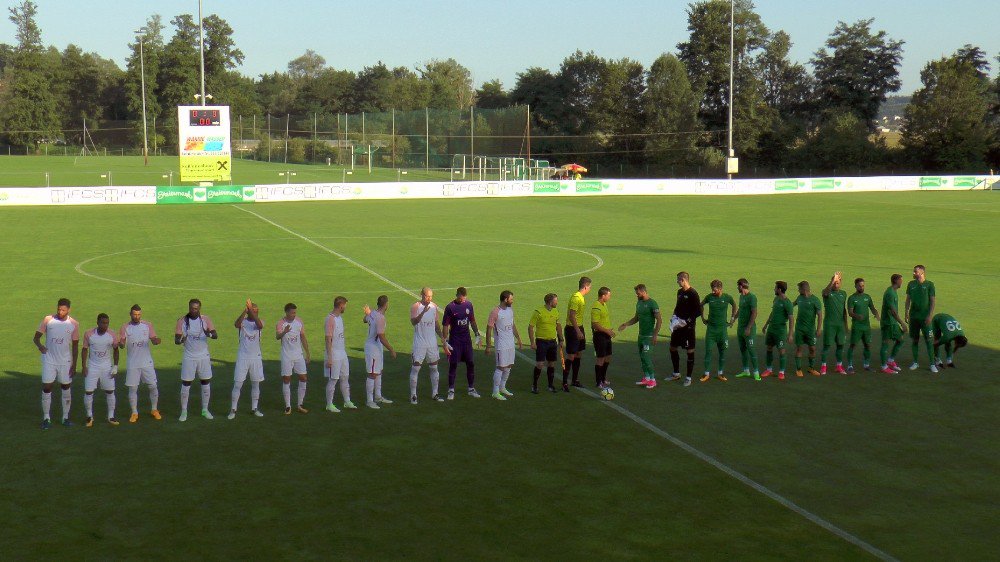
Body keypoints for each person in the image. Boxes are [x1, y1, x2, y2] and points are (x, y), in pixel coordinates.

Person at [34, 298, 79, 429]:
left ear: (69, 310)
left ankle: (65, 417)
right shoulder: (48, 320)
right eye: (59, 309)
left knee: (66, 388)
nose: (60, 312)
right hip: (49, 360)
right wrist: (40, 347)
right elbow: (36, 338)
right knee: (47, 387)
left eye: (63, 310)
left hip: (65, 361)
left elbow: (75, 346)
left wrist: (74, 365)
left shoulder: (74, 324)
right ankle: (46, 418)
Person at [174, 298, 217, 422]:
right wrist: (181, 340)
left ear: (199, 309)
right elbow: (176, 340)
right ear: (189, 308)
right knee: (186, 383)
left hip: (203, 355)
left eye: (196, 309)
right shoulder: (182, 321)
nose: (194, 311)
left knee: (205, 382)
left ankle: (205, 409)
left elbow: (215, 335)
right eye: (192, 308)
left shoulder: (205, 320)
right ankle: (184, 411)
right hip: (189, 356)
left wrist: (207, 333)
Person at [118, 304, 162, 423]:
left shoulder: (147, 325)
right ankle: (134, 412)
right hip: (133, 363)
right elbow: (122, 341)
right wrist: (121, 344)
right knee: (133, 388)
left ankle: (154, 409)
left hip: (146, 362)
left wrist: (156, 341)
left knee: (153, 385)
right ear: (130, 314)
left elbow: (153, 338)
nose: (136, 317)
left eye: (138, 314)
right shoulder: (125, 327)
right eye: (134, 314)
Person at [442, 287, 483, 399]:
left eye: (464, 297)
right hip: (455, 341)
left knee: (470, 363)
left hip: (466, 341)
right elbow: (445, 325)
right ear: (457, 295)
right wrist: (444, 340)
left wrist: (477, 334)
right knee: (453, 364)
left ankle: (471, 388)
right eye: (461, 297)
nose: (462, 299)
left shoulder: (468, 305)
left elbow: (472, 320)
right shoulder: (450, 307)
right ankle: (451, 389)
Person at [619, 284, 662, 388]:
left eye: (638, 293)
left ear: (643, 292)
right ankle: (646, 378)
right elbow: (636, 318)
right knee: (642, 358)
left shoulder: (652, 303)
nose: (636, 295)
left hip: (649, 337)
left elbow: (659, 320)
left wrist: (655, 335)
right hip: (641, 336)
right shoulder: (639, 303)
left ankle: (653, 380)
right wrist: (626, 324)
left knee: (646, 357)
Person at [409, 287, 447, 404]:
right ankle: (413, 395)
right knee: (416, 368)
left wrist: (442, 337)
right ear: (421, 295)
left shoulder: (434, 306)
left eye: (431, 296)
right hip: (419, 343)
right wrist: (423, 312)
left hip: (432, 343)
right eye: (427, 296)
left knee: (434, 367)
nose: (429, 298)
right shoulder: (416, 306)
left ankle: (435, 393)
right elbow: (413, 322)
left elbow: (436, 324)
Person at [81, 313, 120, 427]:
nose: (105, 325)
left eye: (107, 323)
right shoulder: (89, 334)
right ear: (97, 322)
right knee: (89, 391)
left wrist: (115, 366)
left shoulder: (111, 334)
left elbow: (116, 350)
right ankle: (89, 416)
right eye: (103, 323)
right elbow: (84, 349)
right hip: (92, 366)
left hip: (106, 367)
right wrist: (84, 366)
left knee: (110, 391)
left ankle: (111, 416)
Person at [229, 300, 265, 419]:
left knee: (256, 383)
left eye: (257, 311)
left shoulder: (259, 322)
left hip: (256, 357)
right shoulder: (243, 322)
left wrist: (251, 311)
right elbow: (236, 324)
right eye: (254, 311)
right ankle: (233, 409)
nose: (256, 313)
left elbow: (259, 326)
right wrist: (245, 311)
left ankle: (254, 408)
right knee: (238, 383)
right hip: (243, 357)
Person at [485, 290, 523, 400]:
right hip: (501, 344)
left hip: (510, 343)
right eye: (511, 299)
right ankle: (495, 392)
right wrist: (488, 345)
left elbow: (512, 325)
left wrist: (518, 338)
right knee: (501, 367)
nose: (512, 301)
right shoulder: (495, 312)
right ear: (505, 299)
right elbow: (489, 329)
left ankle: (502, 387)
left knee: (509, 366)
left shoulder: (510, 310)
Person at [275, 303, 310, 415]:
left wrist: (307, 353)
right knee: (286, 379)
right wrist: (284, 331)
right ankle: (288, 406)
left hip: (298, 355)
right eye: (292, 313)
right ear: (286, 312)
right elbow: (277, 336)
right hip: (286, 355)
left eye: (295, 312)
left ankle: (300, 404)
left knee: (303, 378)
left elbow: (303, 337)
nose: (294, 315)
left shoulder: (299, 321)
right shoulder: (281, 323)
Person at [668, 272, 702, 387]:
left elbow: (698, 311)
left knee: (690, 351)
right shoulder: (679, 292)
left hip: (688, 328)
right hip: (678, 326)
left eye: (678, 280)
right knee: (672, 348)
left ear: (683, 279)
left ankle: (688, 377)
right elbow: (677, 307)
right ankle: (676, 373)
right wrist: (673, 317)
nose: (677, 282)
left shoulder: (693, 293)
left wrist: (686, 321)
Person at [363, 295, 396, 409]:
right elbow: (382, 337)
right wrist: (391, 349)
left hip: (375, 347)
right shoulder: (380, 318)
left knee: (378, 372)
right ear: (386, 304)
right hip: (373, 348)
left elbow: (364, 320)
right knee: (372, 374)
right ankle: (369, 400)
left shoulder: (372, 313)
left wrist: (368, 313)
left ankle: (378, 396)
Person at [700, 280, 736, 382]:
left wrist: (732, 319)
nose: (712, 292)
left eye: (714, 290)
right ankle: (706, 374)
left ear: (720, 289)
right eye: (712, 289)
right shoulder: (709, 297)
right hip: (711, 330)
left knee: (723, 352)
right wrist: (703, 318)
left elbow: (734, 305)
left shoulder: (727, 297)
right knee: (708, 351)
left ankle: (721, 373)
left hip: (722, 331)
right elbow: (701, 305)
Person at [324, 296, 356, 411]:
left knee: (345, 377)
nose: (345, 308)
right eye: (345, 305)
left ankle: (347, 401)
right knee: (333, 379)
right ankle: (329, 404)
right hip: (334, 354)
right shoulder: (330, 319)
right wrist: (329, 357)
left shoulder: (339, 318)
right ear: (341, 305)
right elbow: (328, 339)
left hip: (342, 353)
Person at [528, 293, 563, 393]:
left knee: (551, 363)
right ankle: (534, 385)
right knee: (540, 364)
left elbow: (558, 326)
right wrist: (532, 342)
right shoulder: (538, 312)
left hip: (552, 341)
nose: (557, 302)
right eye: (556, 301)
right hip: (541, 341)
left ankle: (550, 386)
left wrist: (561, 339)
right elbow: (530, 327)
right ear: (550, 302)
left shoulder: (556, 311)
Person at [905, 265, 938, 372]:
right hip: (914, 317)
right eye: (913, 271)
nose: (913, 273)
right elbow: (908, 300)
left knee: (929, 340)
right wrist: (906, 312)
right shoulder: (911, 284)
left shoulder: (929, 285)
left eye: (915, 272)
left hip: (925, 317)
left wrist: (930, 315)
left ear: (922, 273)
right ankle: (915, 362)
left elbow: (933, 301)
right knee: (915, 340)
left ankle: (932, 364)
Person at [761, 281, 794, 380]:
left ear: (779, 290)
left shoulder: (787, 303)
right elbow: (772, 312)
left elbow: (791, 319)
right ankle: (769, 369)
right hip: (771, 329)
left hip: (780, 330)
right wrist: (766, 324)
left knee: (781, 350)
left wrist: (790, 334)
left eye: (775, 288)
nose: (774, 289)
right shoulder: (776, 299)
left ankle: (781, 372)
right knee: (769, 348)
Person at [846, 278, 880, 373]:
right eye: (860, 286)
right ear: (855, 286)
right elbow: (850, 312)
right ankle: (849, 366)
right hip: (857, 326)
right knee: (853, 345)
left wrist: (876, 314)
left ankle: (866, 365)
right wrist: (857, 316)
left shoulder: (867, 297)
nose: (862, 287)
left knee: (867, 345)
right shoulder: (852, 298)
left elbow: (872, 308)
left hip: (866, 326)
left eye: (863, 285)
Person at [563, 277, 591, 391]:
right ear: (585, 286)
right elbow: (572, 315)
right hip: (572, 329)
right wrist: (578, 331)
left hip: (579, 327)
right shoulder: (576, 298)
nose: (590, 289)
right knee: (571, 355)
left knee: (579, 354)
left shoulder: (581, 298)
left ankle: (575, 380)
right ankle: (565, 382)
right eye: (589, 287)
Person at [820, 272, 849, 375]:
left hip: (840, 325)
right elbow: (825, 293)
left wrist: (846, 324)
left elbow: (843, 309)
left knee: (841, 345)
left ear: (841, 283)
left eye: (838, 282)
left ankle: (839, 366)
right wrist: (832, 280)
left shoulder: (843, 294)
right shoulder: (827, 292)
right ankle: (823, 367)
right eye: (835, 282)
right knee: (827, 346)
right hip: (829, 324)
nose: (836, 284)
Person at [792, 281, 823, 378]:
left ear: (803, 289)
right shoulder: (799, 298)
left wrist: (818, 329)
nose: (798, 290)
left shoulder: (815, 300)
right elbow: (792, 304)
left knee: (812, 349)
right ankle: (798, 369)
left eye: (799, 289)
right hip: (799, 329)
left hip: (810, 330)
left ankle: (811, 368)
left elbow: (820, 315)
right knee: (799, 348)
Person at [879, 274, 907, 374]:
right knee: (885, 343)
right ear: (896, 281)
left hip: (892, 322)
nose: (902, 282)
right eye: (901, 280)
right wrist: (902, 323)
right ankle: (883, 366)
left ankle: (890, 361)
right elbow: (893, 312)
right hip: (888, 323)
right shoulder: (890, 293)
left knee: (900, 340)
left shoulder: (893, 291)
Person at [734, 278, 761, 380]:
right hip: (740, 328)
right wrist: (733, 319)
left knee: (751, 350)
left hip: (748, 329)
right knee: (743, 349)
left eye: (738, 286)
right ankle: (746, 371)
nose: (737, 287)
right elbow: (740, 309)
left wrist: (748, 328)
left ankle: (756, 372)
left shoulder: (752, 297)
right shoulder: (741, 296)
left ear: (741, 286)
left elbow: (754, 313)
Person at [590, 287, 615, 388]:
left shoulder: (604, 304)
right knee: (600, 358)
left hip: (606, 335)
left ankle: (603, 378)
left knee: (608, 357)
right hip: (600, 336)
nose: (610, 297)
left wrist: (609, 331)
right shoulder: (596, 307)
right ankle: (598, 381)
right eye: (609, 295)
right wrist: (607, 330)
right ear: (603, 296)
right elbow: (595, 324)